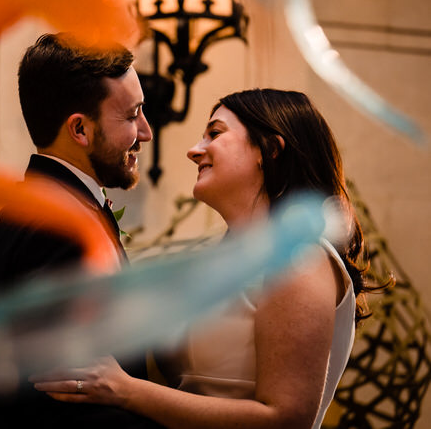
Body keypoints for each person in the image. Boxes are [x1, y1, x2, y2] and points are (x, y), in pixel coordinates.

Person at [32, 88, 371, 429]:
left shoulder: (299, 258)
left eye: (215, 133)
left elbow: (285, 418)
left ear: (268, 149)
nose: (194, 151)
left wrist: (124, 390)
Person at [0, 32, 160, 429]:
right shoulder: (59, 226)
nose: (145, 132)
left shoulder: (43, 205)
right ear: (80, 130)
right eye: (131, 115)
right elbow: (69, 409)